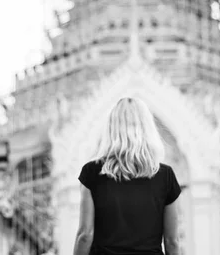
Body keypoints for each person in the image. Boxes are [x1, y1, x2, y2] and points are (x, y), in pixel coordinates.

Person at [73, 97, 183, 255]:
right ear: (147, 128)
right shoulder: (165, 176)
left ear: (112, 128)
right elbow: (172, 241)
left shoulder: (92, 172)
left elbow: (85, 235)